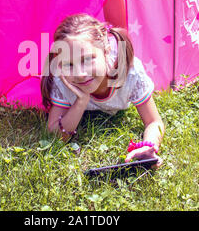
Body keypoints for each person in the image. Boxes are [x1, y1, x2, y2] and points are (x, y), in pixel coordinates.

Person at [40, 14, 165, 168]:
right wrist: (81, 101)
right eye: (69, 64)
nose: (79, 73)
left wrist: (148, 146)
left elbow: (153, 121)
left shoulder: (129, 73)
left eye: (87, 59)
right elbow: (54, 135)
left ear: (106, 49)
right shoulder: (63, 79)